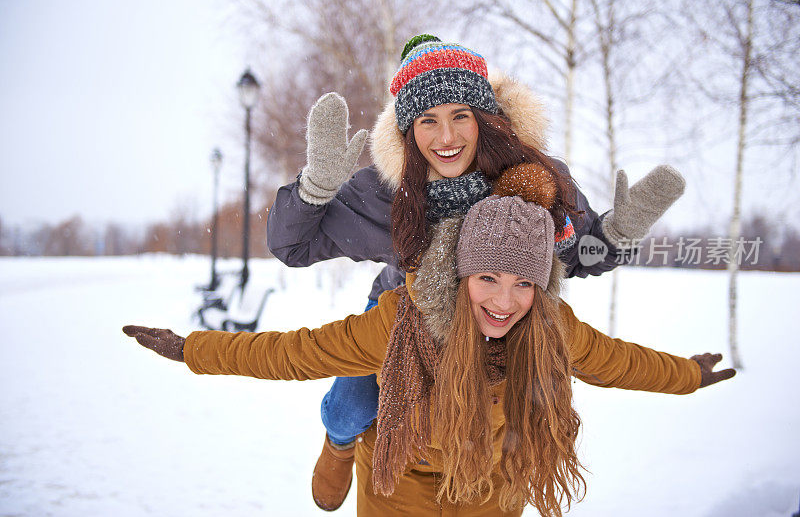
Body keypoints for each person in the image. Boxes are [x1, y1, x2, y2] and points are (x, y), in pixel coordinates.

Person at [265, 34, 686, 510]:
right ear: (408, 131)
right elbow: (291, 244)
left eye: (459, 116)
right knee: (351, 409)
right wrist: (314, 189)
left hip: (505, 320)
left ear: (483, 119)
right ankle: (339, 444)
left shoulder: (534, 179)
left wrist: (616, 233)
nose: (446, 138)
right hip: (405, 315)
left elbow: (577, 256)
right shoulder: (389, 193)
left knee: (498, 426)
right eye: (428, 120)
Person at [124, 194, 735, 517]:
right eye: (489, 279)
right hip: (400, 475)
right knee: (349, 402)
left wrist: (687, 374)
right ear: (461, 273)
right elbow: (298, 351)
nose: (505, 301)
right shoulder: (405, 319)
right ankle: (338, 444)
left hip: (496, 480)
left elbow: (617, 360)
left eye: (524, 283)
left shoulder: (549, 327)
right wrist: (194, 349)